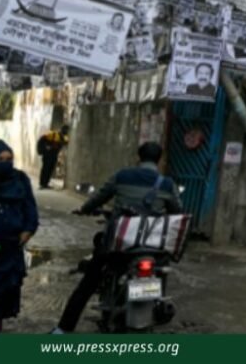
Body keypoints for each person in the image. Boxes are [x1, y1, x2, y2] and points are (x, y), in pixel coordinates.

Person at [52, 142, 182, 334]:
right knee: (161, 269)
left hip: (119, 246)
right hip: (151, 249)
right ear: (159, 160)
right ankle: (158, 302)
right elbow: (177, 211)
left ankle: (62, 330)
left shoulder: (122, 176)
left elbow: (100, 197)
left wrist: (84, 208)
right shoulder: (167, 184)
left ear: (138, 157)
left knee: (88, 283)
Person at [0, 140, 38, 334]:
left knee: (2, 296)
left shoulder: (20, 180)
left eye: (9, 159)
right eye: (0, 159)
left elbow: (30, 209)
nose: (5, 163)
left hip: (10, 251)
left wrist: (27, 230)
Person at [36, 126, 69, 190]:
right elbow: (41, 140)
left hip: (54, 155)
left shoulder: (65, 138)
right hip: (47, 154)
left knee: (50, 169)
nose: (65, 133)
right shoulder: (53, 134)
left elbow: (65, 143)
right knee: (45, 168)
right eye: (64, 131)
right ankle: (42, 183)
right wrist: (43, 150)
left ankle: (46, 183)